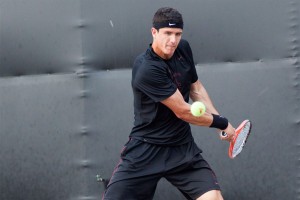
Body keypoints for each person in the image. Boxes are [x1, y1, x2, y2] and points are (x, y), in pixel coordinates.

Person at [102, 7, 236, 200]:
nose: (173, 41)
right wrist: (221, 123)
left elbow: (195, 88)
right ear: (154, 32)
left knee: (213, 198)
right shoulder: (147, 68)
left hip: (181, 148)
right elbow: (183, 111)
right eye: (167, 33)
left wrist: (218, 123)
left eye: (178, 34)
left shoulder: (183, 49)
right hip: (145, 150)